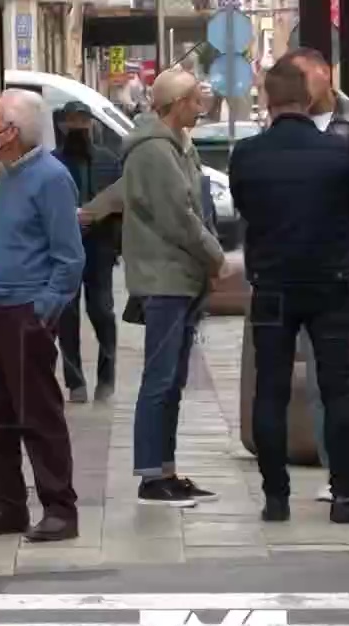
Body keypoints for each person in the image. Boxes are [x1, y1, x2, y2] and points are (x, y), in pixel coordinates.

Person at [228, 60, 349, 524]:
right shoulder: (341, 154)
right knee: (340, 389)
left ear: (268, 100)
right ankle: (345, 496)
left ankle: (275, 498)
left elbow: (244, 206)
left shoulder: (246, 155)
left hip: (272, 287)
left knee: (270, 392)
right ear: (308, 100)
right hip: (333, 287)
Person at [0, 89, 85, 543]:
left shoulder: (51, 177)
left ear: (13, 131)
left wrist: (43, 311)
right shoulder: (4, 174)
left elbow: (69, 257)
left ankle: (59, 509)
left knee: (38, 415)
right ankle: (7, 505)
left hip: (24, 311)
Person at [120, 68, 228, 508]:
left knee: (174, 379)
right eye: (194, 101)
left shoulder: (178, 146)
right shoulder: (153, 152)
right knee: (159, 378)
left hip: (182, 278)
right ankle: (150, 476)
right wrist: (216, 255)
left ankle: (166, 469)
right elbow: (179, 217)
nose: (200, 109)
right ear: (176, 103)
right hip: (164, 278)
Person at [279, 47, 349, 501]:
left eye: (304, 79)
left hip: (346, 265)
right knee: (323, 382)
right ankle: (337, 473)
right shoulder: (286, 130)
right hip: (311, 274)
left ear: (325, 76)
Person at [53, 101, 123, 404]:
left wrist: (116, 242)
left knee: (102, 312)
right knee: (66, 316)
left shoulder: (109, 161)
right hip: (64, 251)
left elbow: (121, 205)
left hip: (99, 248)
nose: (79, 126)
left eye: (84, 120)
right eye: (73, 121)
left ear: (92, 124)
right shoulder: (53, 163)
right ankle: (75, 382)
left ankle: (107, 378)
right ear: (63, 126)